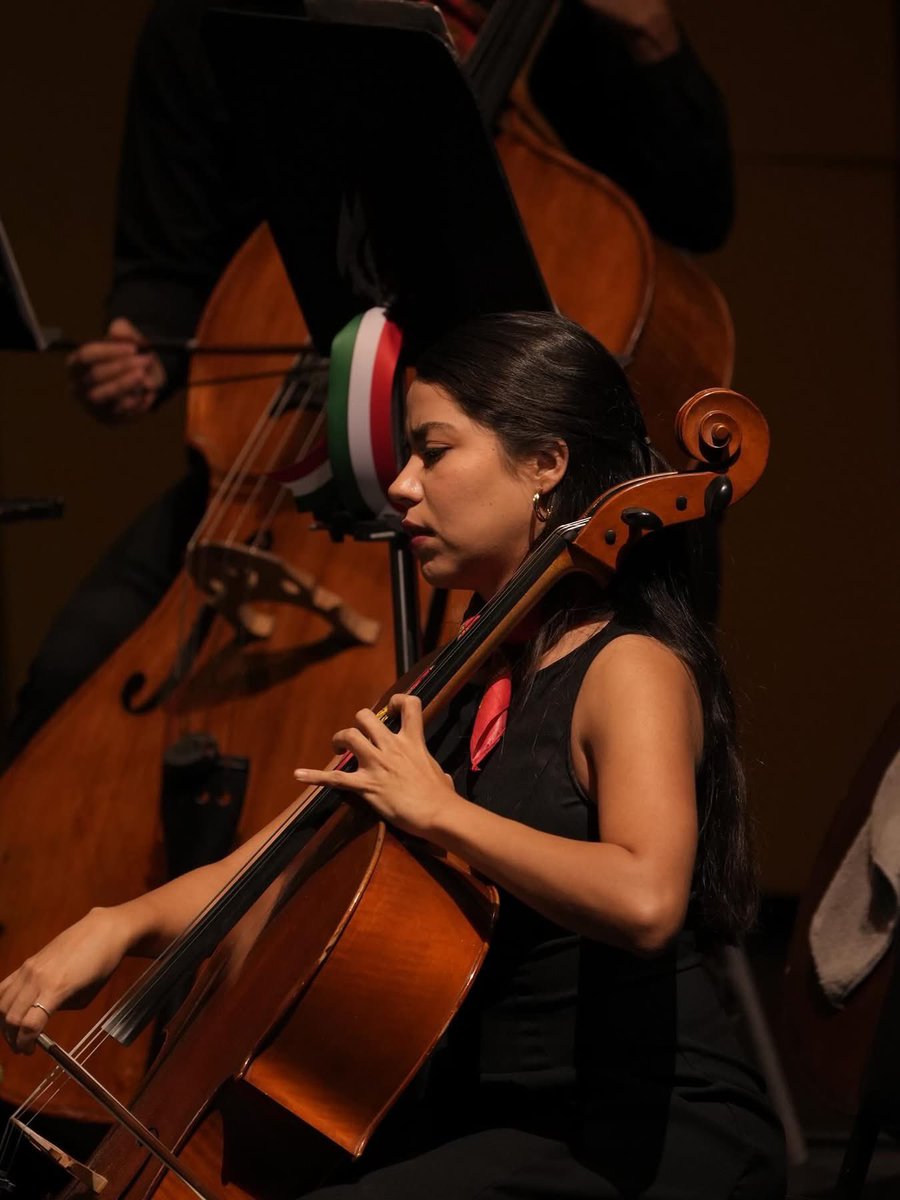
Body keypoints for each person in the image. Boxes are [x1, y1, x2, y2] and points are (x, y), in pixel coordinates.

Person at [1, 313, 786, 1197]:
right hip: (478, 1116)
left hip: (636, 1132)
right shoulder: (455, 677)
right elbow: (281, 859)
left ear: (546, 466)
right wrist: (120, 924)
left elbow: (645, 897)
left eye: (434, 450)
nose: (402, 486)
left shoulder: (628, 667)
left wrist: (442, 811)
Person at [2, 0, 734, 763]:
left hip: (517, 490)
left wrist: (650, 31)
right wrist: (144, 337)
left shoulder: (572, 39)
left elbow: (702, 206)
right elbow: (167, 255)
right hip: (286, 456)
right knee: (66, 678)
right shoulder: (214, 20)